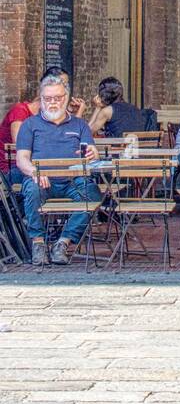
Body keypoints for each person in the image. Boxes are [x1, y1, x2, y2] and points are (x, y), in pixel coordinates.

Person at [13, 72, 101, 266]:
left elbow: (91, 149)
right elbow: (22, 159)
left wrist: (93, 152)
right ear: (41, 99)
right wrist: (35, 172)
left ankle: (63, 242)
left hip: (72, 180)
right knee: (32, 190)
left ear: (67, 98)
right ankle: (38, 243)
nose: (52, 102)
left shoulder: (80, 125)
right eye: (47, 98)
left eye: (58, 98)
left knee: (93, 194)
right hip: (41, 178)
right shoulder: (30, 125)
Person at [87, 78, 154, 136]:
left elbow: (88, 132)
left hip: (116, 148)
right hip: (136, 148)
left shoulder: (107, 111)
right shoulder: (134, 108)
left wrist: (97, 107)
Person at [0, 90, 40, 167]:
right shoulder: (20, 111)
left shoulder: (40, 117)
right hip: (11, 166)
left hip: (30, 162)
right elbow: (19, 143)